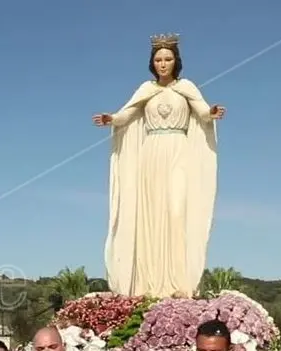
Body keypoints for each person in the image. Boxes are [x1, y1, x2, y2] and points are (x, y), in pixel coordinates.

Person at [92, 32, 225, 299]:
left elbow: (201, 111)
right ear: (152, 63)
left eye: (168, 59)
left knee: (176, 212)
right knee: (150, 216)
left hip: (178, 151)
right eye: (159, 59)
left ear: (176, 61)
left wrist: (211, 113)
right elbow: (128, 113)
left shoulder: (186, 87)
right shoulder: (146, 90)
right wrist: (112, 118)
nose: (163, 64)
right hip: (150, 154)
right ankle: (148, 283)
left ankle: (179, 283)